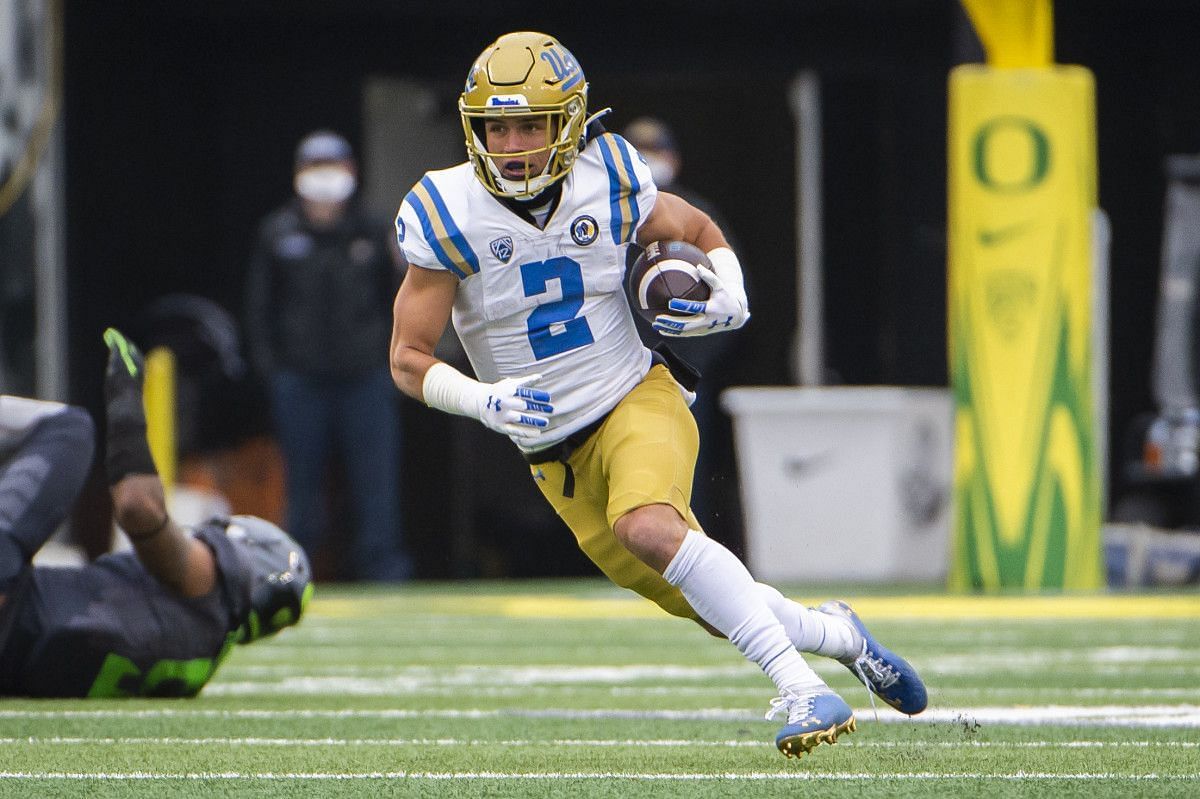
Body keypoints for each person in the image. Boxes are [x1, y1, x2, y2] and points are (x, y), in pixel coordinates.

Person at [389, 31, 927, 757]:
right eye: (497, 126)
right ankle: (838, 633)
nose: (512, 144)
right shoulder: (447, 207)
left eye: (530, 125)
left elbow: (693, 226)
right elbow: (407, 359)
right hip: (554, 454)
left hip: (634, 394)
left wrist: (728, 285)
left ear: (570, 125)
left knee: (649, 524)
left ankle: (804, 688)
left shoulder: (606, 176)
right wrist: (480, 400)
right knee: (710, 603)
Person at [0, 328, 312, 697]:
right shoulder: (194, 670)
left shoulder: (207, 588)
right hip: (12, 661)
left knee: (68, 428)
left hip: (11, 606)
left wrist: (126, 402)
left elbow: (138, 508)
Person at [244, 130, 411, 581]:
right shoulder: (277, 232)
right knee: (302, 489)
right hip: (300, 381)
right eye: (313, 167)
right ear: (298, 174)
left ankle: (384, 576)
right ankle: (295, 575)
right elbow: (260, 308)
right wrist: (273, 372)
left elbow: (397, 300)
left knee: (376, 485)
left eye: (332, 166)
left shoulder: (374, 229)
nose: (324, 178)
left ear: (351, 172)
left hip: (365, 379)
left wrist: (393, 363)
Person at [621, 116, 745, 537]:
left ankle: (694, 551)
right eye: (639, 153)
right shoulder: (609, 218)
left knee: (684, 470)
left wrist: (687, 360)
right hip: (616, 372)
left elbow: (730, 301)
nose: (650, 162)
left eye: (657, 151)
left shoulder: (696, 215)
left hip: (680, 372)